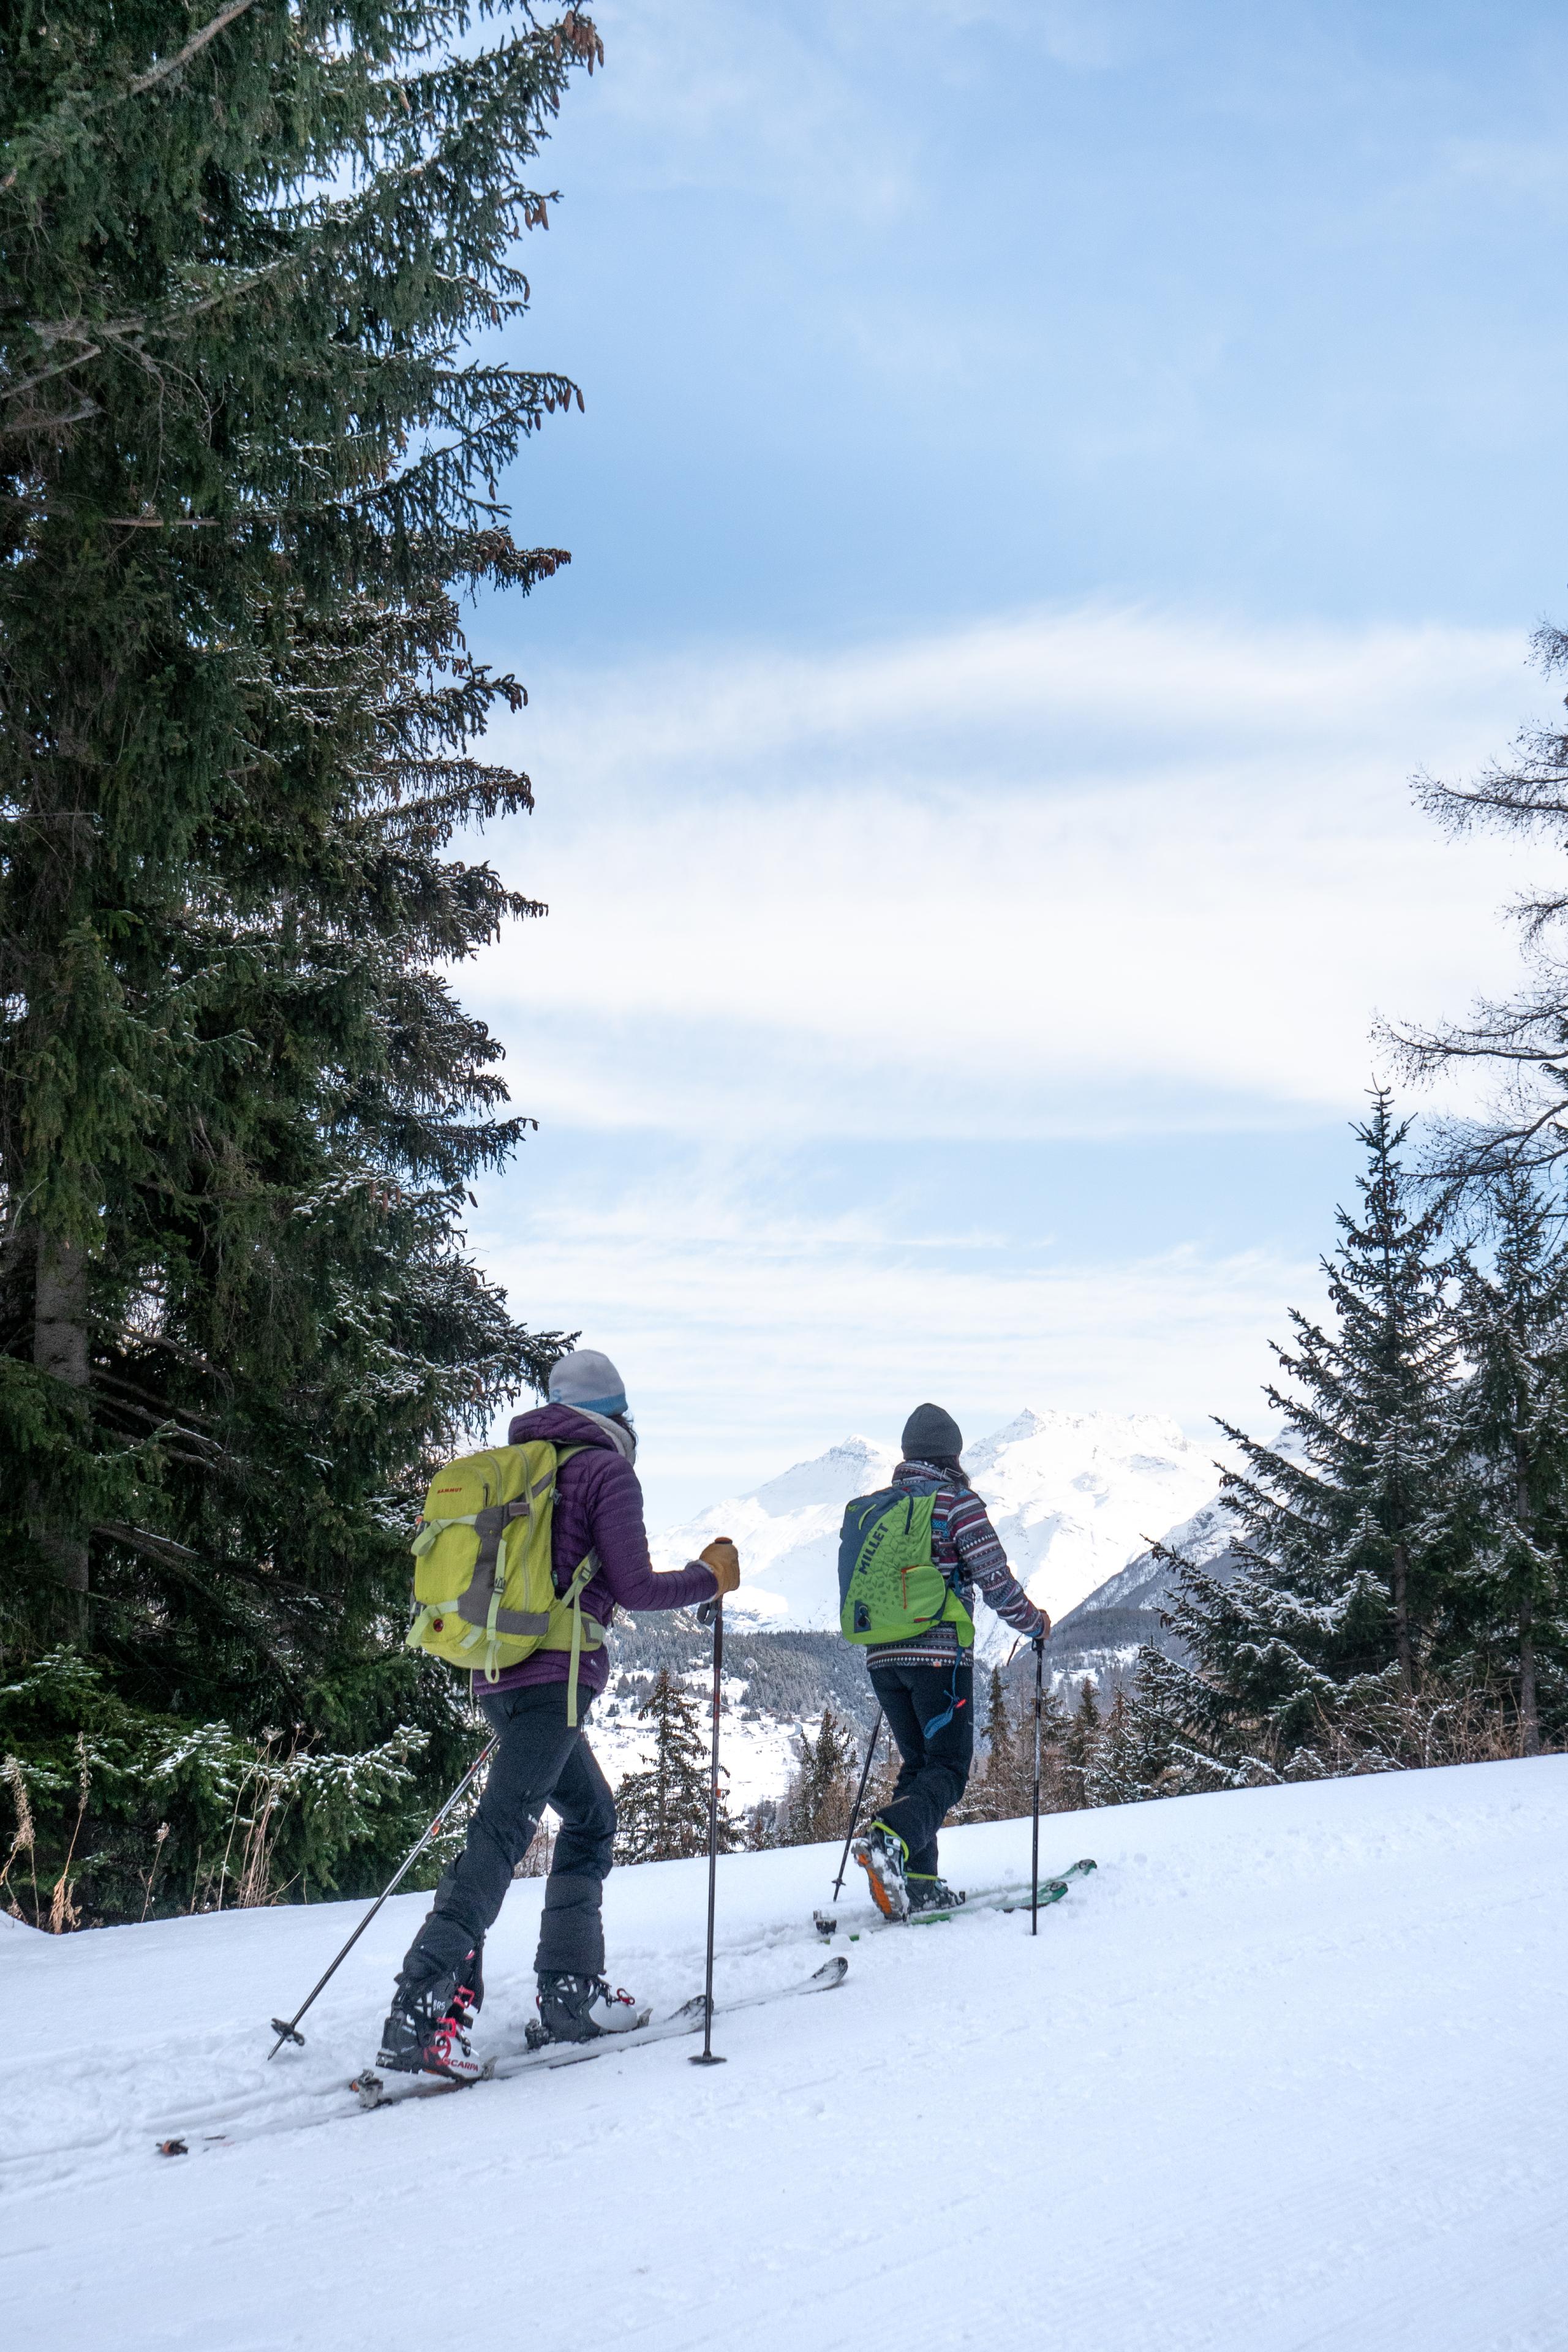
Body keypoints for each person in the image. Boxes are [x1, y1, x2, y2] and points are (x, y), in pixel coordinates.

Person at [378, 1348, 740, 2078]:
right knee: (502, 1831)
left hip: (493, 1674)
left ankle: (569, 1993)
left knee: (590, 1818)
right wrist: (709, 1578)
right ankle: (425, 2009)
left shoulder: (523, 1465)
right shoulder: (604, 1470)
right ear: (617, 1413)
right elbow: (634, 1587)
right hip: (557, 1679)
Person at [850, 1402, 1049, 1921]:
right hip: (940, 1659)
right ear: (953, 1454)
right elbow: (995, 1581)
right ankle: (889, 1839)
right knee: (950, 1769)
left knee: (919, 1766)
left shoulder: (879, 1508)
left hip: (882, 1659)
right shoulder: (957, 1504)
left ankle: (917, 1882)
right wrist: (1036, 1625)